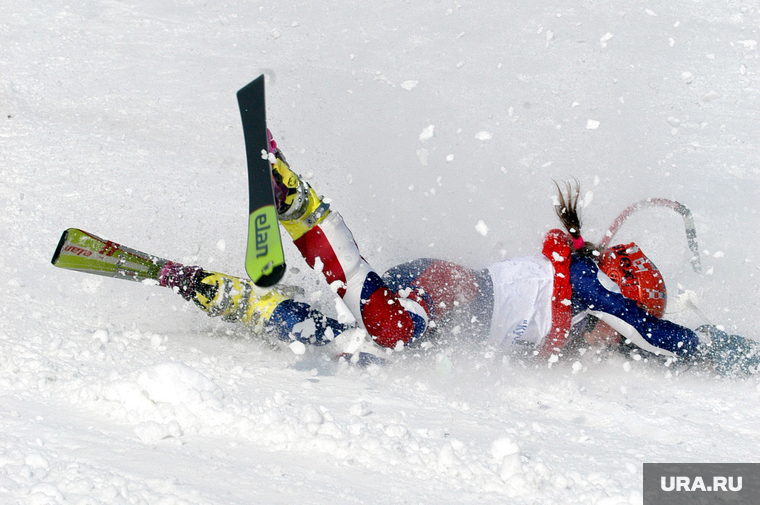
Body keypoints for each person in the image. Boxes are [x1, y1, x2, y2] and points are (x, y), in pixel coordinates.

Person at [156, 133, 759, 376]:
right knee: (389, 333)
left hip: (440, 294)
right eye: (619, 328)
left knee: (351, 342)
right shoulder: (593, 286)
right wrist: (738, 355)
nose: (615, 340)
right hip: (451, 292)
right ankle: (304, 207)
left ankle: (242, 301)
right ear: (623, 301)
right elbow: (662, 337)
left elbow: (642, 345)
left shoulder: (583, 304)